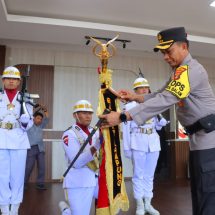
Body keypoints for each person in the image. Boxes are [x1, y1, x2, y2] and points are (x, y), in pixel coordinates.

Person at [100, 27, 215, 215]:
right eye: (163, 53)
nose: (165, 57)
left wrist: (122, 116)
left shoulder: (191, 70)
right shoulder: (179, 72)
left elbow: (165, 100)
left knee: (208, 198)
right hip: (199, 140)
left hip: (209, 141)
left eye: (168, 51)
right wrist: (135, 98)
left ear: (184, 47)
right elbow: (161, 93)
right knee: (199, 194)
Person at [123, 77, 167, 215]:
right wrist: (127, 148)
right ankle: (139, 205)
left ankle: (148, 203)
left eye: (146, 88)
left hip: (153, 142)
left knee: (149, 175)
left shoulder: (153, 104)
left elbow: (158, 126)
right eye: (140, 88)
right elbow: (125, 129)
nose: (144, 90)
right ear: (135, 90)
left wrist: (161, 121)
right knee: (138, 175)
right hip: (138, 141)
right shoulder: (129, 107)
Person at [0, 66, 33, 215]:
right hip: (1, 139)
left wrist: (25, 122)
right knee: (2, 176)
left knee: (17, 177)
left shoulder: (26, 98)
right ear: (3, 80)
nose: (11, 81)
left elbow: (29, 123)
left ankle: (15, 208)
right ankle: (4, 208)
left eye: (15, 79)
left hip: (19, 139)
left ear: (19, 82)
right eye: (8, 78)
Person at [59, 100, 100, 215]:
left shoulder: (94, 131)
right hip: (78, 181)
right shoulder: (69, 134)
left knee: (113, 203)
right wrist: (96, 146)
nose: (88, 116)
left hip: (95, 178)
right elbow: (77, 163)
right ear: (75, 115)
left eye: (90, 113)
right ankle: (67, 211)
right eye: (83, 113)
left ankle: (68, 211)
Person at [24, 105, 49, 190]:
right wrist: (34, 109)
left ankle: (40, 184)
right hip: (31, 148)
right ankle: (23, 183)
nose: (40, 120)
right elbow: (28, 116)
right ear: (33, 118)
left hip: (40, 149)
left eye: (41, 119)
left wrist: (45, 111)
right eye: (38, 118)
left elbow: (47, 119)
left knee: (42, 167)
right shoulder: (29, 125)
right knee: (28, 167)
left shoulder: (41, 126)